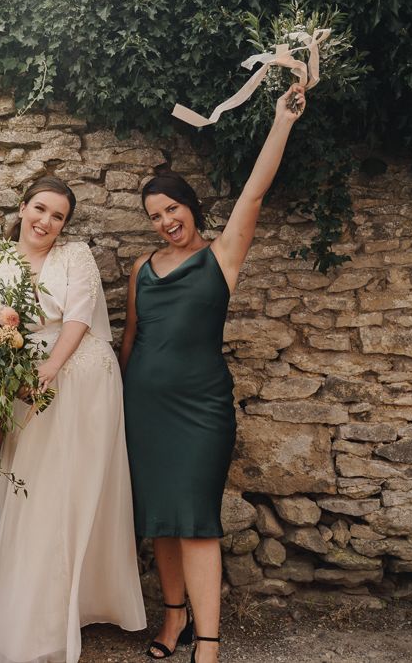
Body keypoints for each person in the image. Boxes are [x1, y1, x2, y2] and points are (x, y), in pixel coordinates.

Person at [120, 85, 307, 663]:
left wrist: (281, 121)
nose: (165, 222)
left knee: (196, 519)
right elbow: (130, 341)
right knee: (161, 519)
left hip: (201, 409)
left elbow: (255, 191)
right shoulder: (141, 268)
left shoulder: (222, 255)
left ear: (190, 206)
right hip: (144, 408)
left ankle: (209, 642)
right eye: (154, 216)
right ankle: (172, 618)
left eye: (172, 209)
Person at [0, 176, 146, 663]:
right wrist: (15, 376)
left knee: (83, 486)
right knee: (36, 488)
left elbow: (81, 316)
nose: (46, 222)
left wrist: (51, 367)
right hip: (25, 382)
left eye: (58, 215)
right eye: (40, 209)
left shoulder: (75, 255)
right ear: (22, 207)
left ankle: (87, 601)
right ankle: (37, 612)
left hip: (83, 376)